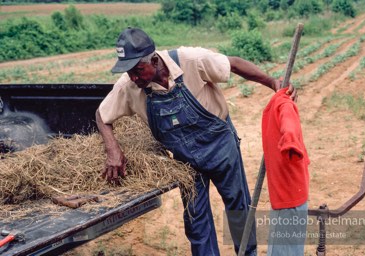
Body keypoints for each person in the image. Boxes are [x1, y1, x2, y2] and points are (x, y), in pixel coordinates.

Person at [95, 27, 296, 256]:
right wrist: (113, 149)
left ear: (154, 58)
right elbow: (101, 116)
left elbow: (234, 64)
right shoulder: (128, 86)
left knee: (239, 209)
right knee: (196, 223)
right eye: (128, 71)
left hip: (220, 146)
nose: (133, 77)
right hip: (185, 161)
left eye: (138, 70)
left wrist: (272, 82)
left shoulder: (191, 60)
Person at [261, 87, 309, 256]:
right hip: (290, 190)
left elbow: (289, 126)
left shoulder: (283, 104)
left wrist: (290, 142)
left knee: (284, 247)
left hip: (288, 195)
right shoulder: (281, 103)